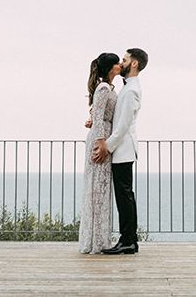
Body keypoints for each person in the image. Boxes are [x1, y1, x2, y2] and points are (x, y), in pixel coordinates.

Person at [92, 48, 148, 255]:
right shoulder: (128, 88)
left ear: (134, 64)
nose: (122, 63)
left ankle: (128, 241)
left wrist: (107, 145)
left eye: (124, 60)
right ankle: (128, 240)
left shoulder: (132, 90)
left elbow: (123, 124)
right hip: (122, 148)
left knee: (124, 197)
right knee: (125, 196)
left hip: (123, 149)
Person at [78, 52, 121, 254]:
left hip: (102, 134)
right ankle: (96, 241)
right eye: (117, 63)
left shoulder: (108, 87)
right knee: (98, 190)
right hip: (100, 140)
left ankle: (98, 239)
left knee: (100, 190)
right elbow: (97, 113)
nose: (121, 65)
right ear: (111, 67)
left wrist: (95, 125)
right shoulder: (104, 88)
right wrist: (101, 143)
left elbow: (96, 114)